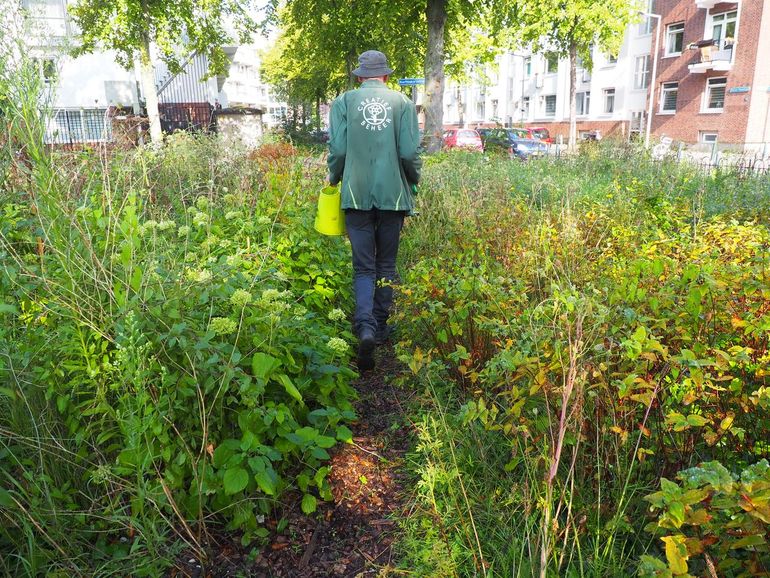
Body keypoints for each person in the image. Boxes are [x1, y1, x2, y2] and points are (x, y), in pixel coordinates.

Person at [327, 50, 422, 371]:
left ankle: (364, 326)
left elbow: (338, 150)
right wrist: (413, 180)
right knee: (387, 264)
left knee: (364, 266)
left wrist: (334, 176)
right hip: (393, 196)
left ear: (358, 76)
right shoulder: (403, 103)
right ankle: (380, 326)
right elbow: (409, 153)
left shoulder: (343, 102)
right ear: (386, 75)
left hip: (355, 194)